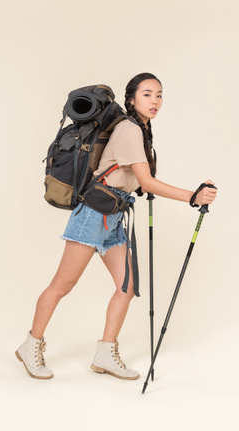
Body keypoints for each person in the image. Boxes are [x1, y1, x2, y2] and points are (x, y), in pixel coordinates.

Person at [15, 73, 217, 380]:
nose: (155, 101)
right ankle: (30, 346)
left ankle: (105, 353)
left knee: (126, 287)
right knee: (63, 285)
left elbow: (138, 182)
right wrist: (191, 196)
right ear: (132, 99)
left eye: (159, 95)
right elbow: (147, 181)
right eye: (147, 94)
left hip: (114, 214)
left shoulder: (142, 131)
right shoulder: (128, 129)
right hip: (94, 213)